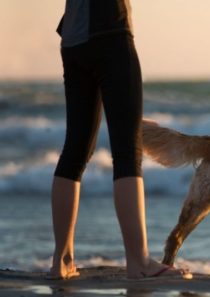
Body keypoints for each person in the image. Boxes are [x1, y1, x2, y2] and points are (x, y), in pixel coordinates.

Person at [49, 0, 191, 280]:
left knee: (74, 152)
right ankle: (138, 261)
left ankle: (61, 261)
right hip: (111, 31)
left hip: (73, 40)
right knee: (127, 152)